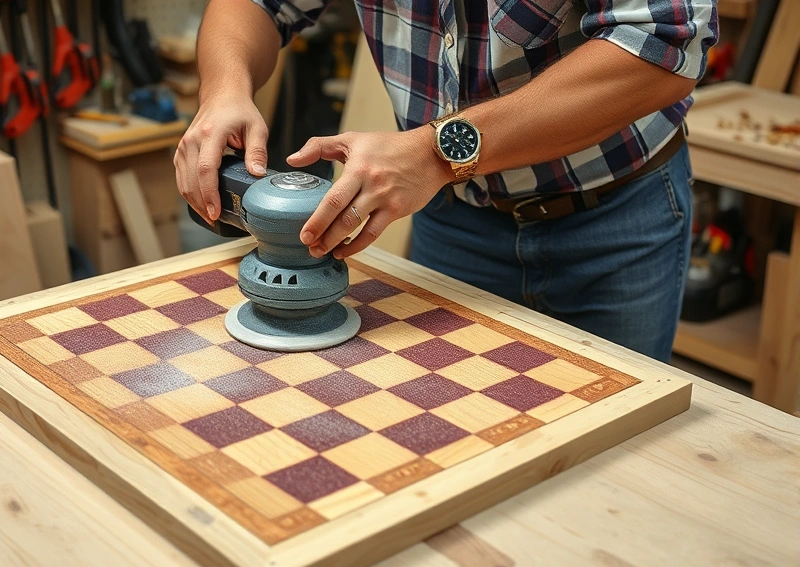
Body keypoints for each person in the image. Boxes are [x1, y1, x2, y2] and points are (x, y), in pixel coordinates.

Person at [174, 0, 717, 361]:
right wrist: (224, 89)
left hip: (614, 219)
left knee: (617, 457)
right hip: (455, 221)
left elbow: (664, 46)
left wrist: (435, 154)